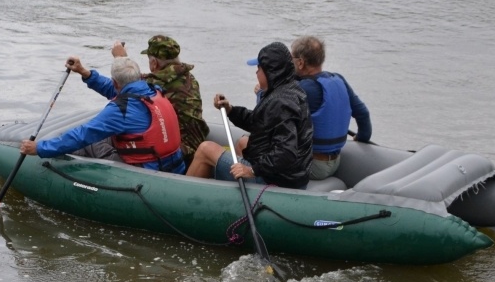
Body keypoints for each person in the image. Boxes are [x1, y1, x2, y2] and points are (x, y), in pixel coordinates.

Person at [20, 57, 186, 174]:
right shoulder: (152, 91)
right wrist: (86, 73)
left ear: (116, 82)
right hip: (173, 165)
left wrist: (40, 148)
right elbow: (115, 89)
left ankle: (62, 175)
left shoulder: (120, 110)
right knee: (103, 135)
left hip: (147, 171)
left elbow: (83, 135)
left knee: (85, 141)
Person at [186, 42, 313, 189]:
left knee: (205, 149)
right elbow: (258, 122)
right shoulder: (290, 89)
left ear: (270, 71)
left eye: (259, 68)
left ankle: (180, 200)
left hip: (277, 181)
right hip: (289, 175)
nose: (256, 73)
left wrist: (251, 170)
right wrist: (230, 110)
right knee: (243, 142)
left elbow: (286, 153)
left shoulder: (281, 102)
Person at [111, 36, 209, 167]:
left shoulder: (156, 83)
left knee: (111, 137)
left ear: (154, 63)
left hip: (181, 152)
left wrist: (121, 60)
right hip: (196, 144)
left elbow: (129, 85)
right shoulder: (189, 77)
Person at [290, 35, 372, 180]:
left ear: (301, 62)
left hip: (313, 164)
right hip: (335, 162)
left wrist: (261, 92)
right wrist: (362, 138)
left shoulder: (303, 89)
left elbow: (272, 116)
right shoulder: (338, 79)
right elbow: (363, 114)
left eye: (292, 58)